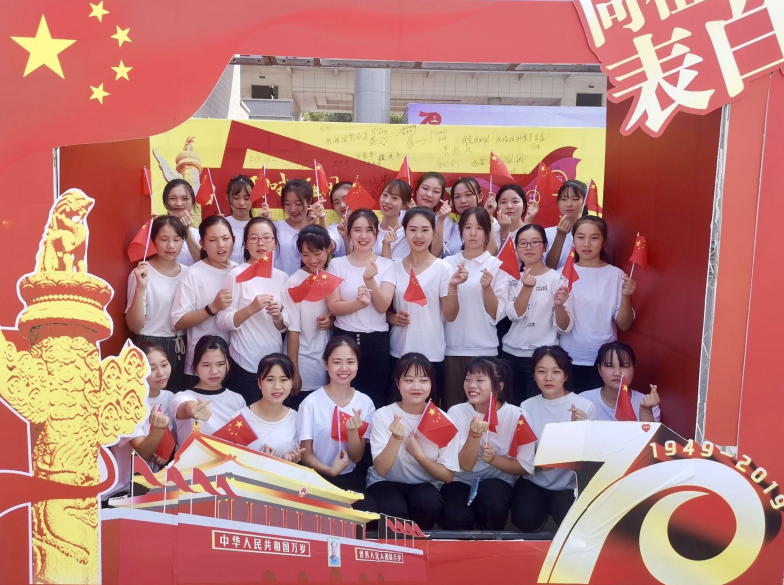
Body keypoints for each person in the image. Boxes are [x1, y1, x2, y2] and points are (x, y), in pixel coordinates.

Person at [366, 353, 459, 530]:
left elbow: (447, 476)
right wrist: (396, 439)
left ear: (431, 383)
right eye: (409, 380)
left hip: (425, 484)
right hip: (385, 482)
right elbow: (382, 469)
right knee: (391, 508)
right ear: (397, 383)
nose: (416, 387)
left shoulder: (443, 420)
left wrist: (419, 456)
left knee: (429, 502)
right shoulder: (383, 415)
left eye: (423, 380)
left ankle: (420, 542)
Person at [511, 346, 597, 531]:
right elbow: (521, 454)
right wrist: (538, 464)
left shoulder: (585, 407)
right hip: (535, 480)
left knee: (566, 519)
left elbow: (592, 459)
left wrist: (581, 430)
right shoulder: (526, 406)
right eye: (541, 371)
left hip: (569, 485)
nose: (548, 378)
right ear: (534, 375)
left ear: (566, 375)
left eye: (556, 372)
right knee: (524, 520)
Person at [441, 358, 531, 530]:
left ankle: (490, 538)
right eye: (468, 379)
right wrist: (474, 435)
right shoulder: (456, 412)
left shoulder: (518, 415)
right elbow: (466, 465)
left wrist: (494, 460)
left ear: (499, 386)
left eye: (480, 380)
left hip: (498, 481)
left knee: (493, 500)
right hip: (461, 480)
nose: (472, 385)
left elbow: (525, 467)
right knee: (455, 518)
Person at [388, 207, 460, 405]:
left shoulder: (443, 268)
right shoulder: (394, 266)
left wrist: (453, 287)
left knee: (429, 412)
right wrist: (393, 318)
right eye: (412, 230)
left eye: (425, 230)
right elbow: (385, 309)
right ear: (404, 232)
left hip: (431, 351)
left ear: (433, 232)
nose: (418, 236)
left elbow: (451, 315)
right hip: (399, 350)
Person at [296, 336, 376, 510]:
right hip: (317, 477)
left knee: (367, 508)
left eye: (350, 362)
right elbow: (305, 454)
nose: (344, 368)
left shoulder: (365, 403)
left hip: (350, 476)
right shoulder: (310, 403)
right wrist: (329, 470)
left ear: (357, 364)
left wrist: (353, 432)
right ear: (326, 364)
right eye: (337, 362)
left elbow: (357, 457)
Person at [326, 210, 396, 408]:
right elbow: (334, 306)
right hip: (343, 338)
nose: (363, 236)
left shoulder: (386, 265)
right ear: (349, 232)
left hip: (376, 341)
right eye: (357, 230)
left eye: (369, 230)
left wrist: (369, 280)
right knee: (341, 398)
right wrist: (359, 304)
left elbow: (383, 306)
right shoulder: (336, 264)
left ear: (377, 234)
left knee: (375, 399)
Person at [442, 208, 510, 409]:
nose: (473, 233)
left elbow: (497, 313)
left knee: (483, 410)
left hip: (484, 348)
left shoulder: (497, 265)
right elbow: (445, 311)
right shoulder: (447, 264)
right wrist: (453, 286)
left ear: (488, 232)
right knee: (453, 409)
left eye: (479, 228)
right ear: (460, 231)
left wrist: (487, 288)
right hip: (452, 347)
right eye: (468, 227)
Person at [559, 216, 636, 393]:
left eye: (594, 238)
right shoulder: (562, 274)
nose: (587, 244)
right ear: (573, 240)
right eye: (580, 237)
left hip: (605, 361)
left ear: (603, 241)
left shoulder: (616, 275)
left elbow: (624, 324)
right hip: (568, 358)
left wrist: (626, 296)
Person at [217, 217, 288, 405]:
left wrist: (278, 316)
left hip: (274, 362)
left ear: (275, 243)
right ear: (246, 244)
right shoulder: (236, 275)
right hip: (244, 361)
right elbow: (222, 321)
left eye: (266, 238)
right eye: (254, 238)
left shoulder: (282, 278)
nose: (260, 243)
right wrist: (251, 308)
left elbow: (283, 328)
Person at [501, 225, 573, 404]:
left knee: (537, 409)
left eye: (535, 242)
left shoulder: (558, 279)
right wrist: (526, 288)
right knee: (512, 410)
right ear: (516, 248)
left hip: (543, 358)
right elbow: (514, 315)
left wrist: (559, 306)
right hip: (511, 355)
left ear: (545, 246)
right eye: (523, 243)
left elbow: (564, 327)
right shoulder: (511, 278)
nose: (529, 247)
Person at [105, 343, 175, 505]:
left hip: (157, 486)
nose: (161, 373)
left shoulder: (170, 398)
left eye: (164, 365)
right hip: (124, 491)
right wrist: (159, 429)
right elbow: (143, 452)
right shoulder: (124, 405)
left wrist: (165, 454)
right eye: (151, 369)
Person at [125, 215, 188, 391]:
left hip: (182, 345)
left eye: (177, 239)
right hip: (151, 345)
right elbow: (134, 326)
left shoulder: (189, 273)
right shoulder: (142, 273)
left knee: (177, 399)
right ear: (153, 241)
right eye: (164, 239)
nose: (171, 246)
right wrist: (140, 287)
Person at [171, 215, 236, 382]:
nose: (220, 245)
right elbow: (178, 322)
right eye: (213, 240)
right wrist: (212, 308)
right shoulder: (193, 274)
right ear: (202, 244)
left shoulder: (238, 271)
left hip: (236, 362)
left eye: (225, 238)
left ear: (233, 240)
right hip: (203, 365)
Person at [283, 226, 333, 409]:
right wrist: (294, 371)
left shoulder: (331, 277)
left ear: (328, 249)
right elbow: (293, 330)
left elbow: (339, 314)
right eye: (305, 254)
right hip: (303, 362)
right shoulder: (294, 282)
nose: (312, 260)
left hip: (327, 361)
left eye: (317, 253)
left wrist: (331, 322)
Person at [169, 335, 246, 443]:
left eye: (220, 364)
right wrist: (193, 410)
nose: (214, 371)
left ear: (228, 365)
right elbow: (186, 407)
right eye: (206, 365)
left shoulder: (238, 400)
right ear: (195, 367)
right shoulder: (182, 396)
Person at [231, 353, 302, 461]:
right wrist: (260, 462)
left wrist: (291, 461)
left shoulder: (297, 418)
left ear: (291, 382)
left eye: (283, 380)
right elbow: (229, 461)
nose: (277, 386)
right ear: (259, 383)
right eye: (270, 380)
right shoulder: (240, 418)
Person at [581, 341, 661, 422]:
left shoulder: (647, 404)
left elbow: (650, 430)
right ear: (599, 370)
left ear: (634, 370)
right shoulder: (583, 400)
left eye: (624, 366)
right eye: (609, 366)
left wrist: (646, 411)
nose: (617, 373)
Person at [274, 179, 330, 275]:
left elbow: (327, 247)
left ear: (309, 201)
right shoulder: (275, 228)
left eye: (298, 204)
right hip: (281, 282)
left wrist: (322, 218)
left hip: (310, 282)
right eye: (287, 204)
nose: (293, 209)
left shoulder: (315, 230)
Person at [442, 177, 499, 257]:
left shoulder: (492, 222)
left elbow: (491, 254)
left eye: (468, 195)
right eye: (457, 196)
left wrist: (488, 216)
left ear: (480, 197)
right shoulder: (450, 226)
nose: (463, 200)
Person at [224, 174, 271, 265]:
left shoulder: (259, 225)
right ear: (228, 198)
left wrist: (266, 225)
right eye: (236, 198)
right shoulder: (222, 225)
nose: (241, 203)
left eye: (247, 198)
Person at [545, 180, 586, 270]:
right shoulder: (547, 233)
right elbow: (548, 268)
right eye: (564, 199)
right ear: (558, 202)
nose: (569, 204)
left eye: (575, 199)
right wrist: (560, 235)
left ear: (585, 201)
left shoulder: (592, 231)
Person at [161, 178, 201, 266]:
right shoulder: (156, 231)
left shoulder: (200, 234)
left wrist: (186, 230)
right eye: (173, 198)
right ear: (165, 202)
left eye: (184, 198)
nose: (179, 203)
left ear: (193, 203)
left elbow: (204, 263)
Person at [374, 179, 413, 261]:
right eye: (385, 195)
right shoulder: (371, 229)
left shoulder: (404, 236)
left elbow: (394, 267)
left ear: (405, 204)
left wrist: (386, 245)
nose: (386, 201)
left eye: (394, 198)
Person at [412, 173, 449, 258]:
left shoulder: (444, 221)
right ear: (417, 190)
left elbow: (435, 254)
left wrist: (440, 220)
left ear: (440, 197)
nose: (429, 194)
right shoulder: (401, 214)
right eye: (425, 188)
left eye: (436, 191)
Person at [495, 184, 538, 248]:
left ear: (524, 207)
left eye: (515, 201)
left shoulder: (536, 233)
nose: (509, 206)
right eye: (503, 202)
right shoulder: (492, 231)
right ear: (497, 207)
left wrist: (527, 224)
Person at [328, 181, 352, 257]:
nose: (342, 205)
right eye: (336, 203)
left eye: (345, 199)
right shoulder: (335, 229)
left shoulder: (372, 226)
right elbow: (327, 245)